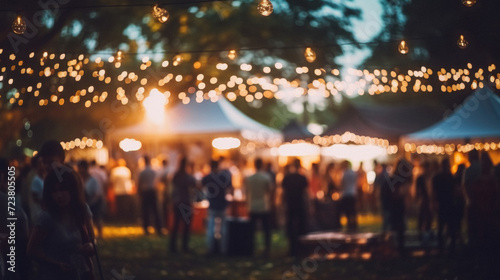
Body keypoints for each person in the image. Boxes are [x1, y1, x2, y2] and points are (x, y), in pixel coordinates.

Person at [27, 167, 95, 280]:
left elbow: (92, 240)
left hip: (81, 273)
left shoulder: (81, 210)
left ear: (72, 190)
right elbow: (31, 250)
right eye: (54, 191)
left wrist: (91, 246)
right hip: (54, 275)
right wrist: (55, 264)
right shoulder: (47, 218)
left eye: (63, 190)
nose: (59, 195)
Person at [245, 158, 274, 256]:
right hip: (263, 205)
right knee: (266, 229)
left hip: (252, 206)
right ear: (262, 165)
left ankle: (250, 248)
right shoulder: (266, 177)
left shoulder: (249, 178)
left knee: (251, 230)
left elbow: (246, 192)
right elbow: (270, 191)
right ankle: (267, 249)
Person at [385, 158, 413, 256]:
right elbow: (397, 194)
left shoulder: (393, 178)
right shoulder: (398, 180)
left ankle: (393, 248)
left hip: (393, 206)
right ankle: (398, 249)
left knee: (394, 227)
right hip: (397, 205)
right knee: (399, 228)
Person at [202, 160, 230, 255]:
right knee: (223, 228)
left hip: (212, 205)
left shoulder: (207, 177)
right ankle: (223, 249)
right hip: (222, 204)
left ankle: (211, 248)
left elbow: (201, 186)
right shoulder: (223, 176)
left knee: (211, 227)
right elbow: (229, 188)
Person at [281, 159, 308, 257]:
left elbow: (283, 194)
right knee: (301, 226)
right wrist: (309, 206)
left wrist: (282, 204)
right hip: (300, 204)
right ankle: (301, 247)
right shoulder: (302, 178)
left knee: (290, 226)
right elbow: (305, 194)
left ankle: (292, 248)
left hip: (290, 204)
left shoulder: (287, 178)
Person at [170, 157, 197, 253]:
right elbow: (194, 185)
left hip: (177, 202)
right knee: (186, 226)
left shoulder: (176, 175)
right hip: (185, 202)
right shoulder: (188, 176)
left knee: (176, 225)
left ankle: (172, 246)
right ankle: (184, 246)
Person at [432, 158, 455, 254]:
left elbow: (434, 192)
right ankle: (448, 247)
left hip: (444, 203)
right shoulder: (448, 177)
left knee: (443, 226)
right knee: (447, 226)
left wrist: (434, 203)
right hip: (446, 203)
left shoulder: (439, 177)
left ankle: (443, 247)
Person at [78, 160, 105, 239]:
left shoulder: (93, 180)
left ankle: (100, 235)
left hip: (94, 202)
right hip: (86, 202)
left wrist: (92, 202)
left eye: (81, 168)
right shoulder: (80, 180)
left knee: (97, 218)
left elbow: (97, 193)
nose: (80, 170)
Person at [137, 155, 162, 235]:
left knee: (145, 211)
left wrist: (139, 192)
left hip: (145, 192)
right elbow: (157, 183)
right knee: (155, 210)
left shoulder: (142, 172)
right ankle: (158, 228)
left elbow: (139, 183)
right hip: (152, 191)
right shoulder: (153, 171)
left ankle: (146, 228)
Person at [415, 161, 433, 246]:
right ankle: (421, 235)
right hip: (424, 200)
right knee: (422, 217)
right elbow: (418, 190)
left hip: (428, 200)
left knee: (428, 218)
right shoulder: (421, 178)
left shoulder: (431, 178)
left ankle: (426, 235)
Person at [339, 160, 358, 231]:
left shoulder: (344, 173)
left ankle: (350, 226)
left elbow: (341, 184)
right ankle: (354, 225)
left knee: (348, 212)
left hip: (346, 194)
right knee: (353, 211)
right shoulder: (353, 173)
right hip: (353, 193)